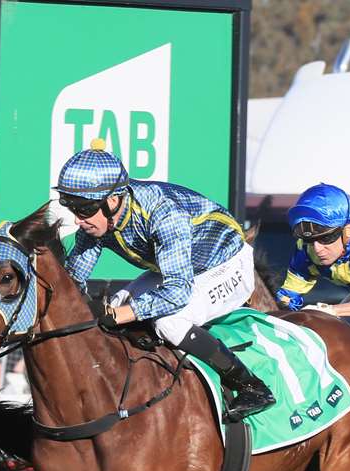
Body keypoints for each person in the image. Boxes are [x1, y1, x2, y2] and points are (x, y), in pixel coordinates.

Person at [55, 138, 274, 422]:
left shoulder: (164, 213)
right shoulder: (97, 221)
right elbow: (73, 282)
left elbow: (177, 293)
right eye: (72, 208)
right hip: (181, 269)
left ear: (111, 200)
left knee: (168, 322)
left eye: (83, 209)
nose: (77, 220)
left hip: (226, 264)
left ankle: (252, 387)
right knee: (120, 303)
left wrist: (119, 314)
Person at [275, 183, 350, 315]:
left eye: (326, 239)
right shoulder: (306, 250)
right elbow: (289, 296)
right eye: (309, 240)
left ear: (348, 231)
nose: (317, 249)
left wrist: (331, 310)